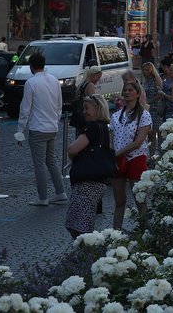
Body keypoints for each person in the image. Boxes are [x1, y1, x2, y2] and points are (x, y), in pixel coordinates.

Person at [15, 53, 67, 206]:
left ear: (31, 66)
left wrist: (20, 130)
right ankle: (60, 192)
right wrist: (55, 121)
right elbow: (59, 105)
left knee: (39, 164)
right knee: (51, 161)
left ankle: (43, 197)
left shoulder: (31, 83)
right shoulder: (54, 81)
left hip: (38, 128)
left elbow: (25, 108)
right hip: (52, 127)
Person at [65, 93, 112, 238]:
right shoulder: (104, 127)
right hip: (97, 180)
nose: (84, 112)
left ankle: (85, 256)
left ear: (97, 109)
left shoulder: (92, 127)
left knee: (79, 226)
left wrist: (75, 157)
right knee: (78, 223)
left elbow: (72, 149)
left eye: (87, 108)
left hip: (87, 181)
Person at [110, 81, 151, 230]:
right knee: (119, 200)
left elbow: (138, 142)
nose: (127, 92)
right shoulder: (116, 116)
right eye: (125, 90)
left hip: (136, 158)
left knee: (140, 200)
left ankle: (145, 233)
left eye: (131, 90)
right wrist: (112, 154)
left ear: (138, 94)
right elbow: (112, 138)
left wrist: (116, 154)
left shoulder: (144, 115)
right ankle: (115, 234)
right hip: (117, 159)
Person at [70, 66, 103, 135]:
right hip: (86, 116)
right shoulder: (90, 85)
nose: (98, 80)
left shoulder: (82, 84)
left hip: (79, 115)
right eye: (98, 77)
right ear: (94, 75)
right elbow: (93, 101)